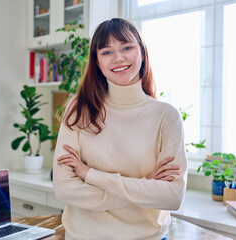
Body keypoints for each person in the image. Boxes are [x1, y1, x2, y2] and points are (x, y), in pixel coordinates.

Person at [53, 18, 188, 240]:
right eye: (107, 52)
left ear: (142, 53)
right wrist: (145, 185)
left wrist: (90, 174)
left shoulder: (167, 116)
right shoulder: (79, 109)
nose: (118, 58)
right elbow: (65, 189)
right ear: (97, 62)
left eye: (127, 47)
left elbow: (172, 196)